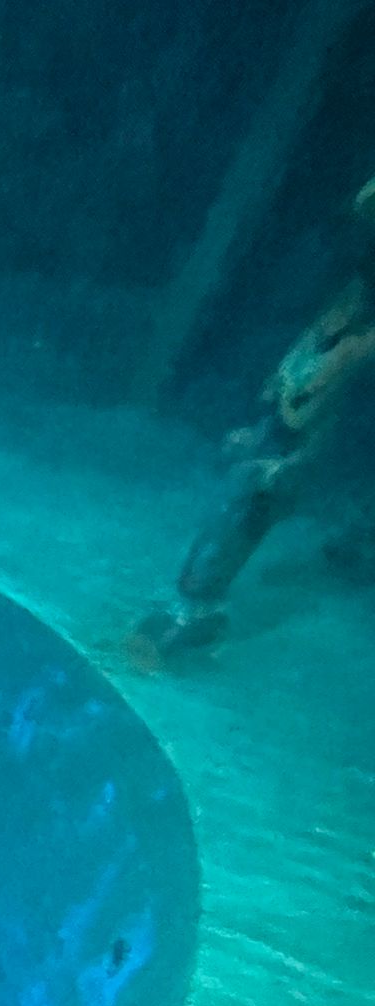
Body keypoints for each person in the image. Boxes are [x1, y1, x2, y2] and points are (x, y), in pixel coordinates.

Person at [132, 172, 375, 660]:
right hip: (281, 431)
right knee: (229, 515)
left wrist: (298, 461)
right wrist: (263, 422)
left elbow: (341, 413)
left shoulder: (362, 338)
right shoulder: (348, 297)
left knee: (244, 515)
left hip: (299, 448)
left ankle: (200, 614)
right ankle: (191, 606)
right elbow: (300, 363)